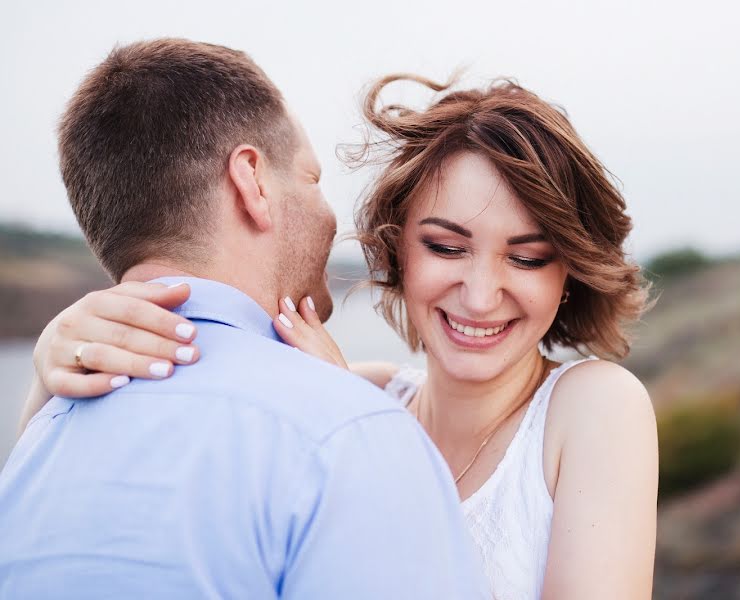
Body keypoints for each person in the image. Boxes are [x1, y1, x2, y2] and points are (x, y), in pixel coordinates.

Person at [23, 74, 660, 598]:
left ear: (569, 273)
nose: (481, 293)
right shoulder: (354, 398)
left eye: (527, 258)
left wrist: (353, 421)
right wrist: (54, 365)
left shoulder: (594, 407)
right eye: (445, 246)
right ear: (397, 249)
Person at [0, 40, 488, 599]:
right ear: (252, 180)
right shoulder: (352, 435)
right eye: (312, 179)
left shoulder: (35, 448)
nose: (330, 215)